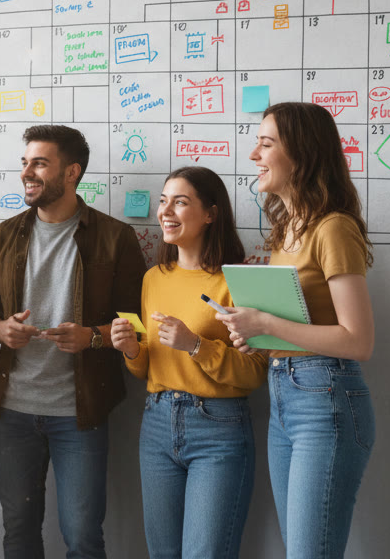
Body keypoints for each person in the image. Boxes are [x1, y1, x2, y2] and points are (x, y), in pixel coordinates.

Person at [0, 125, 146, 559]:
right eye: (25, 163)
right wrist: (2, 330)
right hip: (13, 412)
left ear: (71, 173)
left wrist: (92, 337)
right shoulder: (6, 235)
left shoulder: (114, 237)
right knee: (19, 532)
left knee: (83, 537)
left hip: (80, 413)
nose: (27, 172)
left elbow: (137, 327)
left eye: (39, 163)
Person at [216, 101, 377, 559]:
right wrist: (255, 332)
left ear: (301, 154)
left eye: (266, 143)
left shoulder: (333, 228)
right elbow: (301, 324)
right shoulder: (288, 231)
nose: (254, 155)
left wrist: (267, 322)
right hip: (285, 394)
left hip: (326, 398)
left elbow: (358, 340)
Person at [110, 166, 267, 559]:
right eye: (164, 201)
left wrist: (196, 345)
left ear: (211, 214)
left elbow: (254, 373)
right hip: (157, 423)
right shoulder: (153, 279)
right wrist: (131, 349)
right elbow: (147, 368)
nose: (166, 211)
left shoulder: (238, 281)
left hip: (219, 428)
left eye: (180, 202)